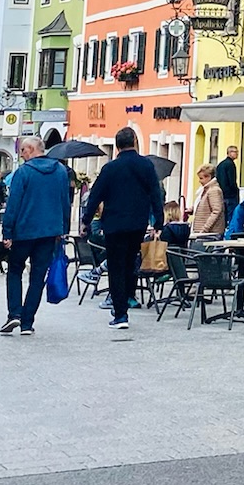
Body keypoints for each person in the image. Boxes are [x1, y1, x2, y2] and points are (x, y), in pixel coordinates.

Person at [81, 126, 163, 332]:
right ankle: (125, 301)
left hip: (114, 224)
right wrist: (158, 222)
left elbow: (95, 195)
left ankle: (120, 314)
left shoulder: (110, 168)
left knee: (116, 267)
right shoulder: (146, 165)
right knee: (129, 264)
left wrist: (86, 220)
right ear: (135, 142)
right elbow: (156, 194)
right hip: (137, 223)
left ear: (117, 146)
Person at [0, 137, 72, 336]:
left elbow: (13, 205)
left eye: (23, 150)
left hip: (24, 231)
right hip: (50, 232)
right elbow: (65, 201)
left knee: (15, 271)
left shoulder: (23, 172)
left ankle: (14, 313)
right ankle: (27, 322)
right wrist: (63, 227)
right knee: (37, 277)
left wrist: (7, 231)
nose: (21, 154)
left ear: (31, 149)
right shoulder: (60, 171)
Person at [190, 166, 226, 240]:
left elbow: (216, 211)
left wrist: (205, 229)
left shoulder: (214, 190)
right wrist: (193, 209)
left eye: (201, 178)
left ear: (209, 177)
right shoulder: (207, 189)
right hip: (206, 233)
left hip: (210, 233)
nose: (199, 181)